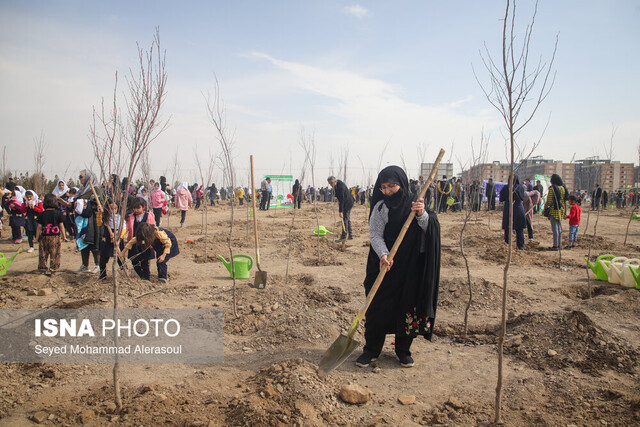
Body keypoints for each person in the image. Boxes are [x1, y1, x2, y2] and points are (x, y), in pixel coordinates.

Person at [355, 166, 440, 369]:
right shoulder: (380, 207)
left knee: (408, 307)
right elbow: (375, 234)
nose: (387, 191)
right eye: (383, 187)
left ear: (401, 184)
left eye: (391, 186)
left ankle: (403, 351)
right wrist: (383, 255)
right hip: (385, 266)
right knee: (376, 307)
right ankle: (372, 350)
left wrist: (422, 214)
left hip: (411, 267)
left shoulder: (416, 204)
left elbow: (430, 229)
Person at [36, 194, 68, 275]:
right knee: (55, 253)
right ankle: (53, 270)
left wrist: (36, 238)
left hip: (44, 236)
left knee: (43, 253)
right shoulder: (58, 213)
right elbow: (61, 226)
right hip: (55, 237)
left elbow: (39, 227)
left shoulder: (42, 214)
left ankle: (42, 269)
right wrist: (64, 237)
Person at [124, 197, 156, 278]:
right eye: (134, 208)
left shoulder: (148, 216)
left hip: (145, 243)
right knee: (133, 261)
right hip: (134, 242)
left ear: (143, 207)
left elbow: (152, 228)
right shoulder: (131, 217)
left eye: (138, 208)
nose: (136, 210)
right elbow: (127, 228)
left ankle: (147, 278)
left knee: (145, 262)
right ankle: (141, 276)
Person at [499, 175, 526, 250]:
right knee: (519, 229)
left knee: (508, 228)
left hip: (509, 208)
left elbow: (501, 199)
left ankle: (507, 246)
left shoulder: (506, 188)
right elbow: (523, 197)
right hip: (519, 208)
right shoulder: (521, 187)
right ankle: (520, 246)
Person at [98, 199, 122, 280]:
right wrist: (99, 213)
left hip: (117, 238)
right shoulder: (105, 217)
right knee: (103, 258)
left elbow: (124, 229)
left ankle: (123, 274)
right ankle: (102, 275)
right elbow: (99, 223)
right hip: (107, 238)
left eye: (115, 209)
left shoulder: (120, 217)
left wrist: (117, 235)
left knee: (120, 258)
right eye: (111, 209)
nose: (113, 211)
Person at [544, 174, 568, 251]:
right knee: (559, 229)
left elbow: (549, 201)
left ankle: (555, 245)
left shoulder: (552, 189)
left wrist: (545, 208)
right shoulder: (563, 188)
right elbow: (564, 201)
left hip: (554, 210)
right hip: (561, 210)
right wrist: (565, 212)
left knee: (555, 229)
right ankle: (559, 244)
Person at [327, 175, 354, 242]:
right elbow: (337, 194)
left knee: (345, 219)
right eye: (329, 183)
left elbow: (342, 200)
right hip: (347, 201)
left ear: (335, 182)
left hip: (348, 202)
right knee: (347, 218)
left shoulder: (340, 187)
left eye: (331, 183)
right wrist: (336, 196)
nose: (330, 185)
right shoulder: (336, 185)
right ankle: (350, 235)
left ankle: (344, 237)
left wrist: (340, 211)